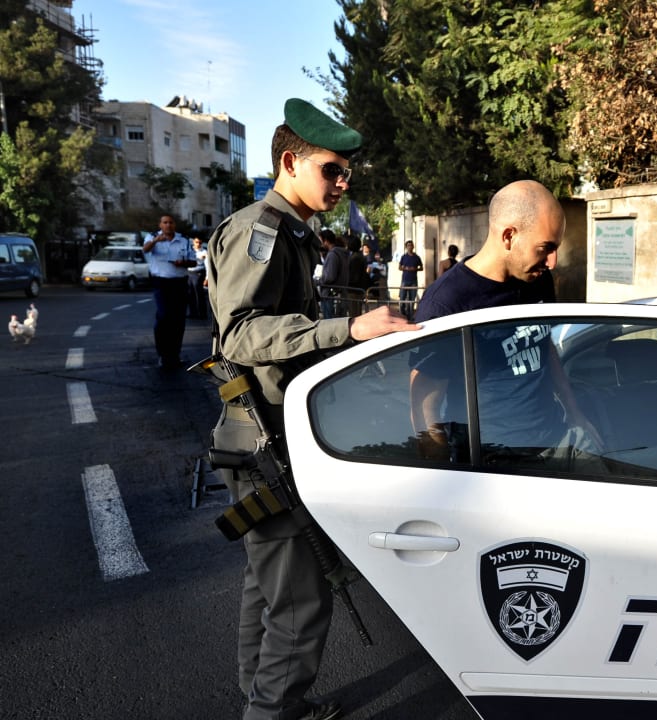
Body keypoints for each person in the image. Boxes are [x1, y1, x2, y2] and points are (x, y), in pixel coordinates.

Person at [206, 97, 417, 720]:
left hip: (268, 435)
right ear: (290, 162)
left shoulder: (293, 233)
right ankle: (274, 710)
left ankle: (266, 700)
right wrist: (345, 331)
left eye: (347, 170)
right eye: (332, 169)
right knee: (300, 605)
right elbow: (241, 334)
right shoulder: (262, 232)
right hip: (263, 443)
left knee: (269, 591)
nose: (344, 181)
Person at [409, 180, 590, 464]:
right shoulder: (447, 303)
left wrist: (576, 414)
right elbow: (425, 400)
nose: (553, 262)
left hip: (553, 440)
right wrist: (440, 470)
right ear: (508, 236)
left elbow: (545, 347)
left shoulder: (538, 280)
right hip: (491, 461)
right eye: (545, 248)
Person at [142, 214, 197, 370]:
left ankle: (175, 354)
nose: (168, 225)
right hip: (161, 282)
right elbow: (145, 250)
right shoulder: (152, 237)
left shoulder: (184, 240)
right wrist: (155, 242)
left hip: (179, 283)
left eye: (171, 222)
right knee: (164, 316)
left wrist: (183, 262)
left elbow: (193, 261)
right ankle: (162, 354)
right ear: (160, 225)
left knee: (178, 320)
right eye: (165, 222)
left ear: (175, 225)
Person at [317, 229, 349, 319]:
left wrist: (318, 281)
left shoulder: (333, 254)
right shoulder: (341, 253)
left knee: (330, 323)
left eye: (321, 241)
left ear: (326, 241)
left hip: (330, 295)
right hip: (338, 294)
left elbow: (329, 277)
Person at [396, 241, 423, 317]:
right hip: (404, 280)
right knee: (402, 297)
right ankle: (402, 313)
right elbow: (399, 267)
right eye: (408, 245)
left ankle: (410, 315)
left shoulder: (417, 257)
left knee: (412, 299)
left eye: (411, 245)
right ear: (406, 247)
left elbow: (421, 268)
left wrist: (415, 269)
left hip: (413, 280)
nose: (410, 247)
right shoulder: (403, 257)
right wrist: (405, 268)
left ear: (413, 246)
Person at [187, 236, 209, 320]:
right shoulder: (189, 251)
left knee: (199, 294)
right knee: (190, 294)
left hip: (198, 273)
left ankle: (202, 313)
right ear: (193, 243)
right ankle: (193, 312)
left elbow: (207, 266)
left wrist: (207, 278)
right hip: (189, 273)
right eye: (196, 242)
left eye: (200, 242)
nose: (198, 244)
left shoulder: (204, 252)